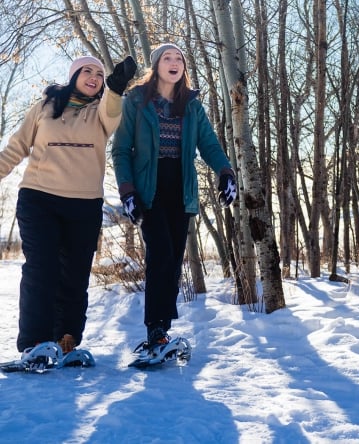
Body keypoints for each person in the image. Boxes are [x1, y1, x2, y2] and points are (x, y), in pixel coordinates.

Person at [0, 54, 136, 357]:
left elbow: (112, 110)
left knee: (74, 275)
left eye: (99, 74)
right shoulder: (45, 107)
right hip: (39, 198)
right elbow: (17, 147)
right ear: (73, 76)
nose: (94, 76)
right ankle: (35, 343)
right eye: (86, 71)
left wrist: (115, 86)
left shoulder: (103, 110)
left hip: (84, 204)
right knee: (41, 269)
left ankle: (67, 339)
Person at [111, 43, 236, 355]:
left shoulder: (192, 105)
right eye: (167, 57)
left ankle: (161, 333)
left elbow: (208, 142)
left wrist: (225, 172)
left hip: (181, 190)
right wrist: (127, 191)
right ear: (156, 66)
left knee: (173, 260)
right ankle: (155, 330)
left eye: (179, 58)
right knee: (161, 254)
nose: (174, 62)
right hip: (148, 189)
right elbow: (120, 149)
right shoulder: (136, 101)